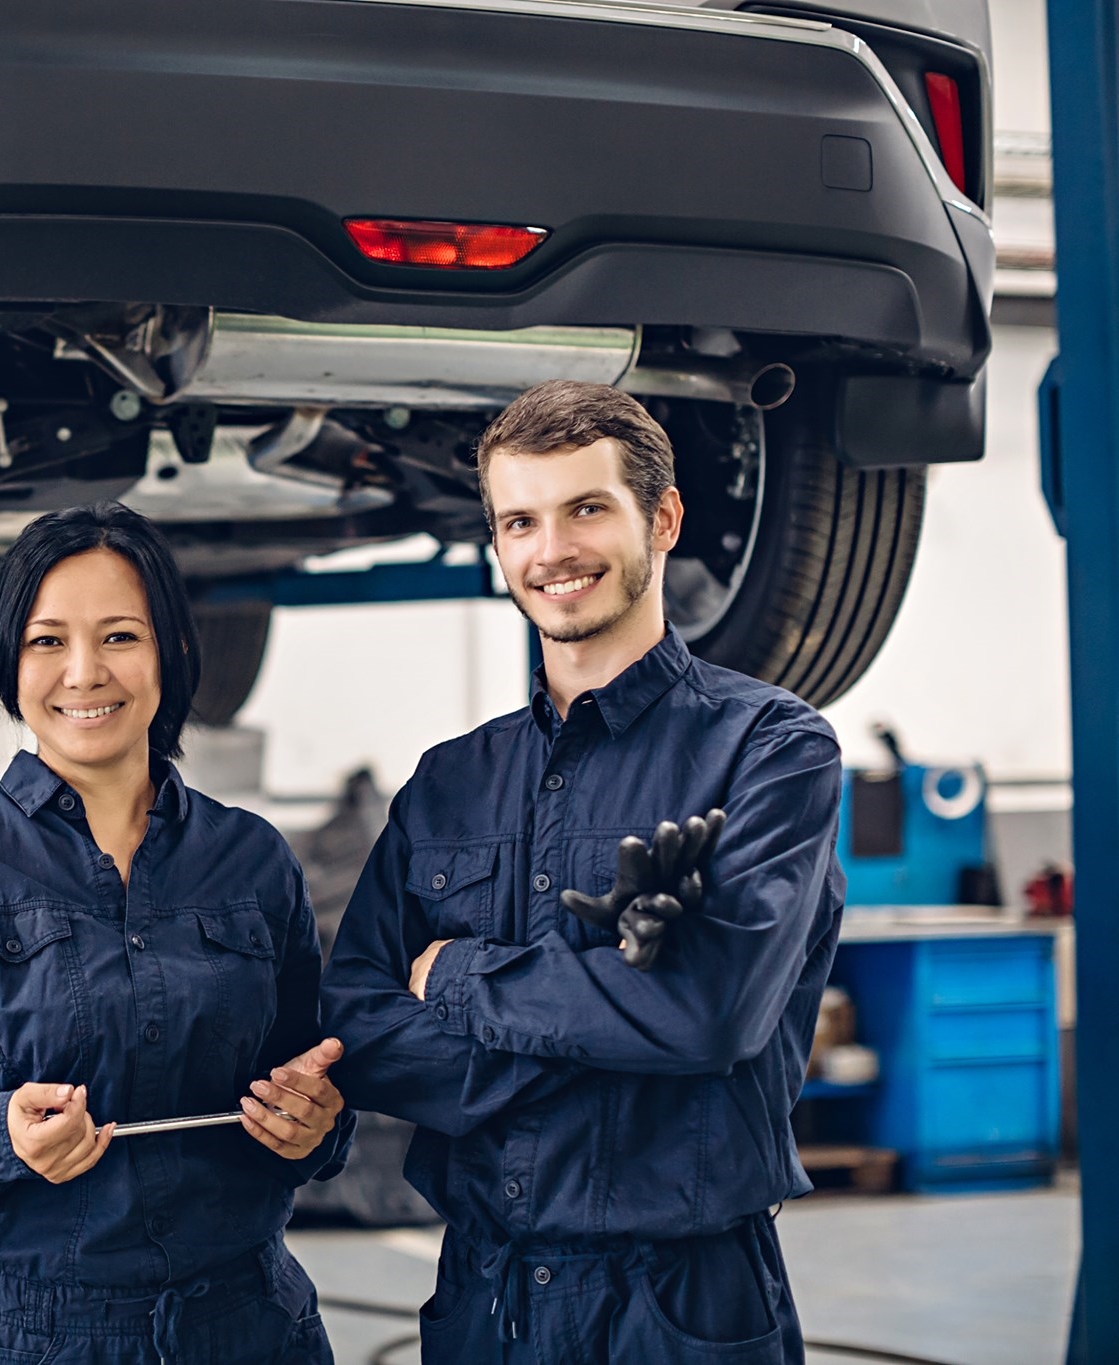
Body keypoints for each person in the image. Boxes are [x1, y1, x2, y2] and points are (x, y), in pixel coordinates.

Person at [321, 381, 843, 1364]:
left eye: (585, 509)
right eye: (519, 520)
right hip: (484, 1298)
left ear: (663, 518)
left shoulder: (770, 750)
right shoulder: (447, 784)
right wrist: (600, 1036)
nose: (549, 550)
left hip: (679, 1305)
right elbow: (355, 1018)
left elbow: (710, 1013)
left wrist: (458, 978)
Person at [0, 502, 353, 1365]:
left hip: (247, 1322)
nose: (85, 672)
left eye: (120, 637)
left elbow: (309, 1081)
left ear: (171, 651)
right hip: (29, 1334)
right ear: (8, 662)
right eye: (48, 641)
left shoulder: (253, 859)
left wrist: (315, 1124)